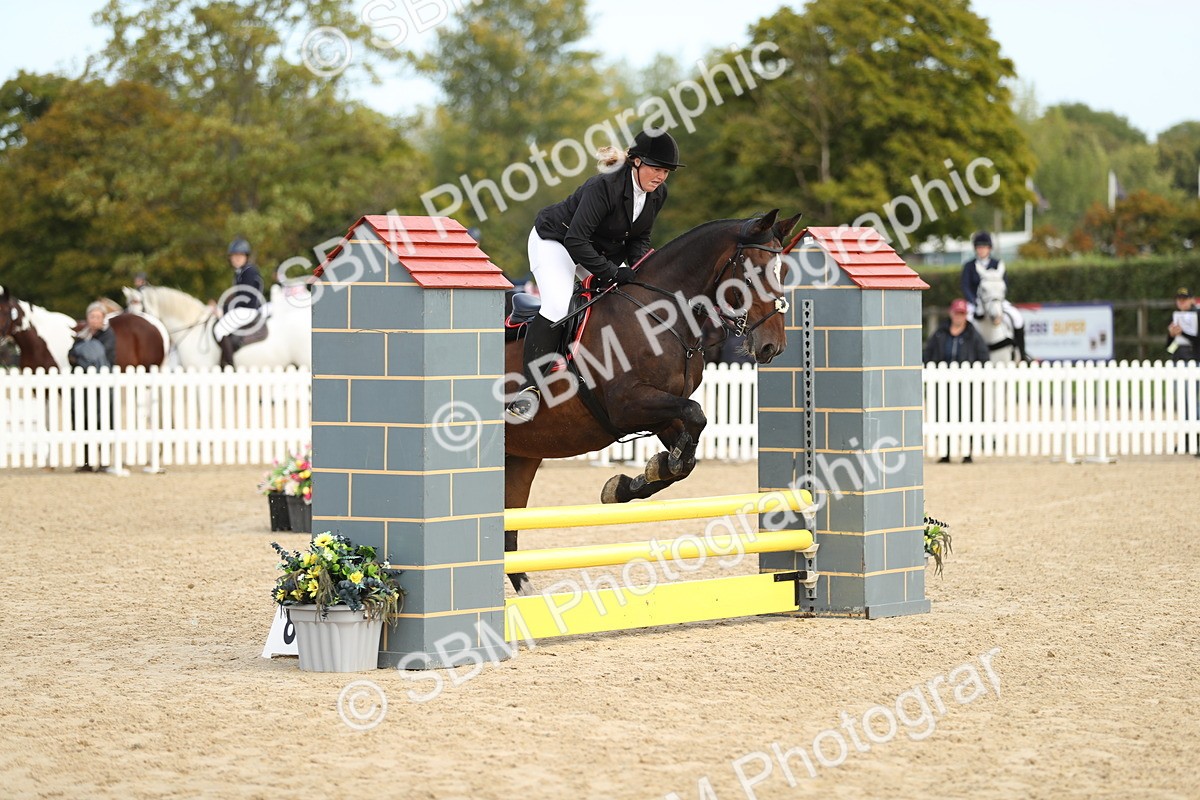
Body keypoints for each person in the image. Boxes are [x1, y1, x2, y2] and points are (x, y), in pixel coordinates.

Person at [505, 128, 684, 421]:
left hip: (594, 250)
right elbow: (576, 240)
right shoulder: (605, 186)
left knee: (628, 297)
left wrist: (639, 270)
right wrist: (614, 272)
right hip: (556, 242)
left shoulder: (657, 193)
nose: (661, 176)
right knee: (558, 305)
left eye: (666, 171)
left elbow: (640, 238)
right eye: (656, 168)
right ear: (636, 162)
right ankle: (530, 388)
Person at [923, 298, 991, 463]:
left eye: (962, 314)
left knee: (966, 416)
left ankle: (967, 452)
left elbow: (983, 357)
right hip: (942, 383)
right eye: (956, 313)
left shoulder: (973, 335)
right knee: (942, 416)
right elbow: (928, 354)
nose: (959, 317)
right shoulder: (940, 333)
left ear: (966, 315)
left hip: (966, 385)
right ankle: (945, 452)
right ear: (951, 313)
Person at [961, 231, 1028, 359]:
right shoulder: (969, 266)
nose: (981, 250)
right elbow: (965, 286)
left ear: (989, 248)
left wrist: (998, 299)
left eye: (984, 247)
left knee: (1017, 318)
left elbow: (1005, 284)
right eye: (979, 247)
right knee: (966, 321)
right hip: (976, 302)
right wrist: (973, 301)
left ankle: (1022, 353)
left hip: (997, 300)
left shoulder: (997, 264)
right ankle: (965, 353)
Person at [68, 302, 118, 472]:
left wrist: (82, 354)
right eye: (92, 316)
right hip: (82, 388)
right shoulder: (81, 336)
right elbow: (71, 356)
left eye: (98, 317)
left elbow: (97, 355)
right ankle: (86, 461)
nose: (94, 320)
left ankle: (104, 461)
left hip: (102, 388)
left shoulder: (108, 335)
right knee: (83, 422)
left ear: (103, 319)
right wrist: (83, 353)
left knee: (103, 421)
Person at [214, 236, 264, 368]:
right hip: (243, 309)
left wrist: (223, 310)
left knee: (219, 329)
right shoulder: (240, 272)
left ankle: (230, 366)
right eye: (234, 255)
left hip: (248, 310)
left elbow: (245, 298)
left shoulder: (249, 271)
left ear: (246, 257)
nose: (236, 258)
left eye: (240, 255)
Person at [1166, 287, 1199, 362]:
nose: (1181, 302)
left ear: (1191, 300)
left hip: (1194, 357)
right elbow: (1169, 347)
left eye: (1184, 299)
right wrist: (1172, 335)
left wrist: (1182, 333)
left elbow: (1197, 340)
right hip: (1178, 356)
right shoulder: (1175, 316)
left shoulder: (1197, 315)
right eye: (1179, 299)